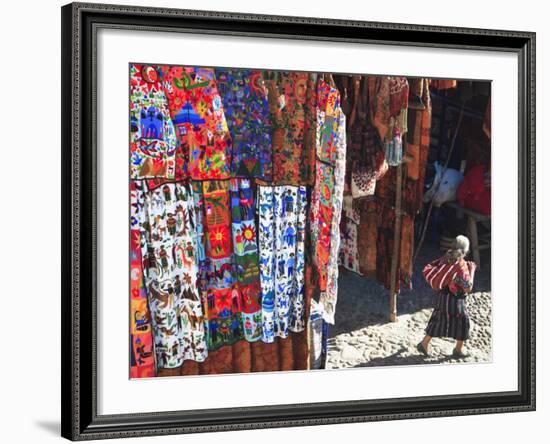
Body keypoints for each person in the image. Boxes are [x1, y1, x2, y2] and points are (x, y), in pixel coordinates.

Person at [417, 235, 476, 358]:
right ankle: (458, 349)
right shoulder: (461, 266)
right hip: (455, 300)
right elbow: (468, 288)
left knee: (439, 319)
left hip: (443, 296)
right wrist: (472, 270)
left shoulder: (446, 258)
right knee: (463, 322)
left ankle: (424, 343)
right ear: (466, 251)